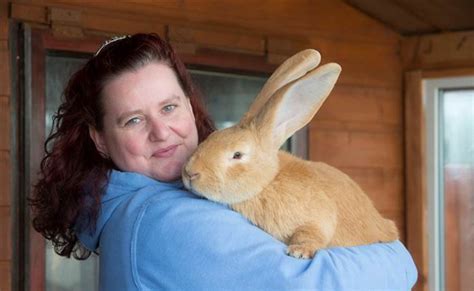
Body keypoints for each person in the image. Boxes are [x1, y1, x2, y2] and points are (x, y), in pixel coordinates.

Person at [30, 33, 417, 290]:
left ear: (190, 105)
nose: (162, 132)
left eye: (169, 107)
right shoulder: (164, 219)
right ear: (99, 140)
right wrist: (398, 256)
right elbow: (313, 284)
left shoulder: (128, 208)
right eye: (133, 120)